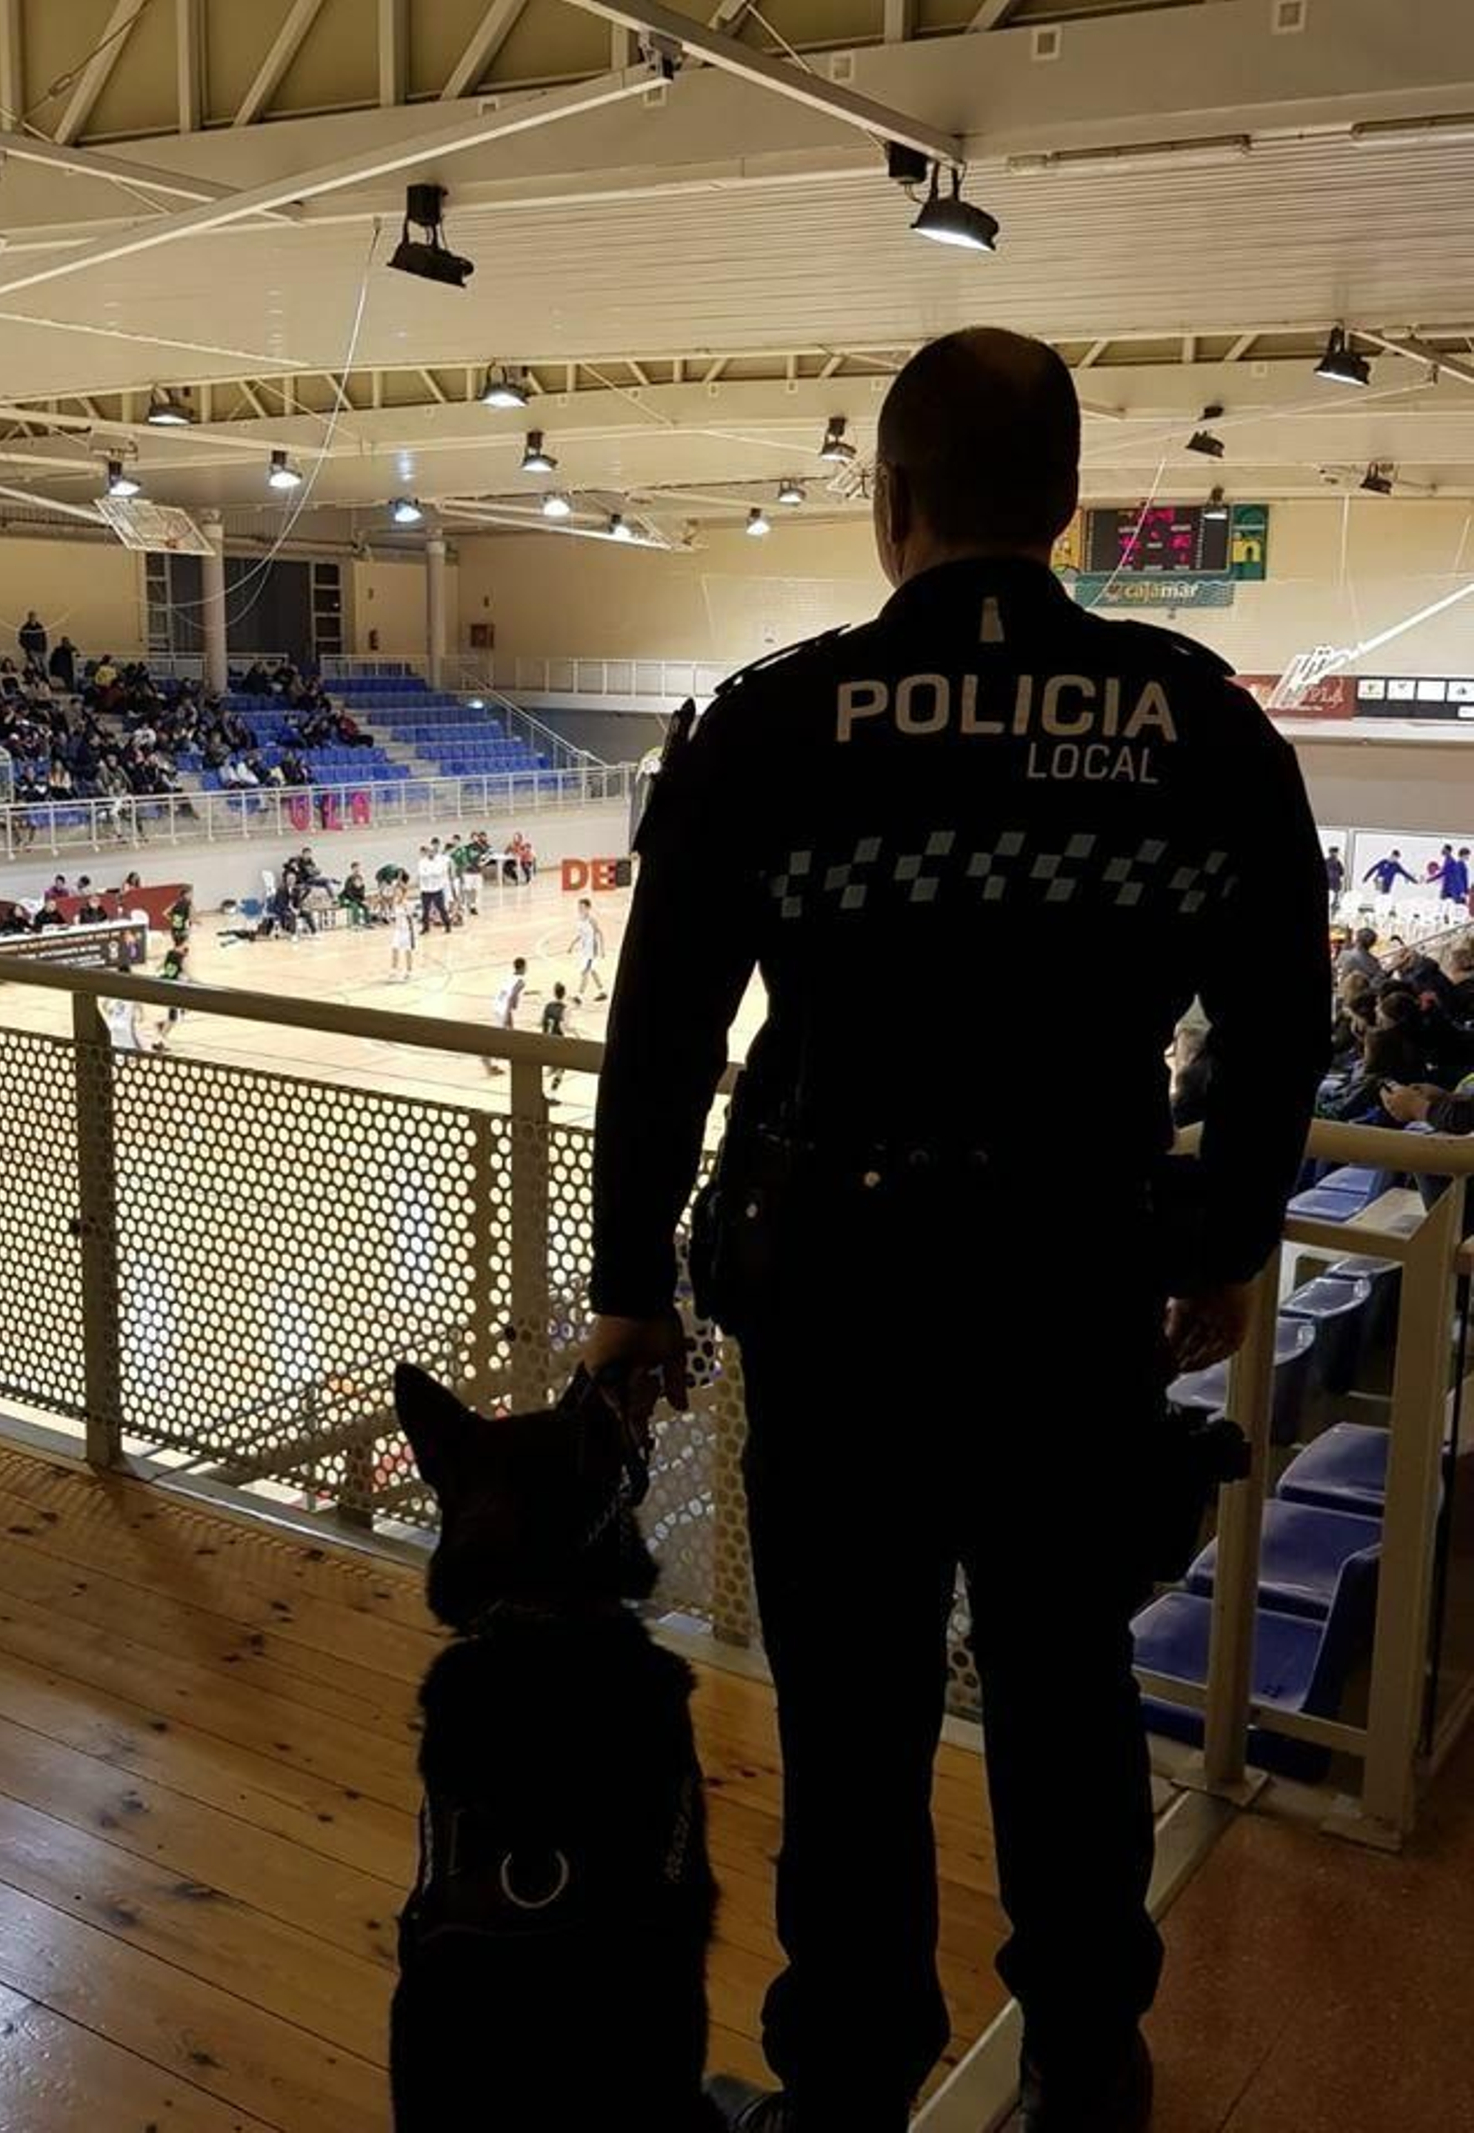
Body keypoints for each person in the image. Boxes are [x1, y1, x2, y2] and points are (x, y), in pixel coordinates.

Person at [584, 328, 1334, 2133]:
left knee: (852, 1726)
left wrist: (626, 1290)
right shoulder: (1201, 724)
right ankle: (1088, 2064)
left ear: (890, 501)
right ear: (1070, 506)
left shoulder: (768, 719)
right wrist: (1222, 1239)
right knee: (1070, 1698)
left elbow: (666, 1032)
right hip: (1076, 1293)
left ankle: (848, 2086)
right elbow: (1283, 1017)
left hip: (837, 1304)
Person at [486, 956, 527, 1075]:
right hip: (503, 1008)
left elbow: (508, 992)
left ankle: (512, 1060)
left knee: (511, 1033)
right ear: (523, 967)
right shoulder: (521, 981)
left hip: (497, 1004)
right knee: (501, 1037)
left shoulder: (509, 975)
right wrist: (510, 1011)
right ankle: (488, 1059)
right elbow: (512, 996)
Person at [573, 897, 608, 1003]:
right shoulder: (579, 920)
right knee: (593, 971)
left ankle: (579, 996)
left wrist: (602, 949)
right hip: (584, 951)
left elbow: (599, 933)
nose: (580, 908)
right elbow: (580, 935)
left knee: (585, 972)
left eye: (582, 907)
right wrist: (572, 944)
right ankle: (602, 992)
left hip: (591, 952)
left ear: (588, 908)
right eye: (579, 906)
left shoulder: (591, 920)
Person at [541, 981, 570, 1096]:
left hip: (545, 1039)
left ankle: (541, 1090)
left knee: (550, 1068)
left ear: (554, 993)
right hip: (557, 1040)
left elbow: (540, 1022)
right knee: (561, 1069)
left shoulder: (548, 1006)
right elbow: (565, 1027)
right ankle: (552, 1093)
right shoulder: (565, 1009)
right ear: (564, 994)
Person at [387, 877, 417, 982]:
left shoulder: (407, 904)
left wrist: (411, 933)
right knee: (394, 949)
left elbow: (411, 918)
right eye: (395, 891)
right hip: (397, 930)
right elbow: (394, 916)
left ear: (403, 892)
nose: (396, 893)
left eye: (398, 891)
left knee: (407, 951)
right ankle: (393, 970)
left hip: (407, 931)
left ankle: (409, 971)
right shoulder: (395, 903)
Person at [418, 842, 451, 933]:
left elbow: (439, 872)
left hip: (437, 889)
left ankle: (447, 925)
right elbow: (422, 874)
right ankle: (425, 927)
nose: (430, 853)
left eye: (432, 852)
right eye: (429, 851)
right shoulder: (422, 862)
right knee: (425, 910)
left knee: (442, 908)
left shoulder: (439, 862)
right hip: (425, 890)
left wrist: (430, 873)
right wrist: (431, 873)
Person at [1324, 845, 1345, 913]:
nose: (1335, 854)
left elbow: (1342, 872)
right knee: (1332, 901)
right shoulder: (1334, 862)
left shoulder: (1337, 862)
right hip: (1332, 883)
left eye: (1336, 852)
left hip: (1335, 884)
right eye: (1334, 852)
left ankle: (1332, 914)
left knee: (1334, 900)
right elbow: (1342, 872)